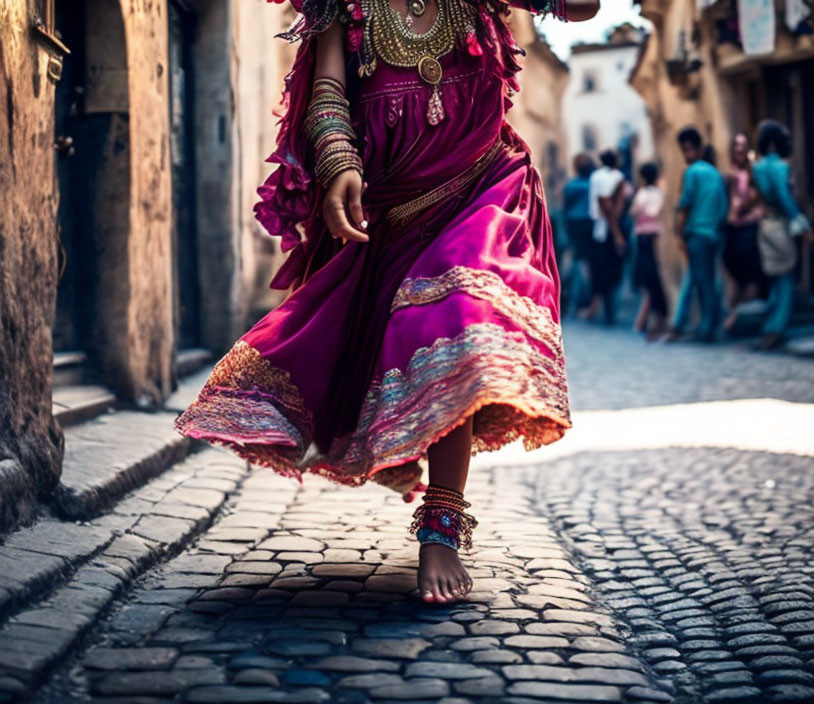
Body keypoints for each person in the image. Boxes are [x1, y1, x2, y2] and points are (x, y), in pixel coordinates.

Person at [173, 0, 599, 605]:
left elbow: (582, 9)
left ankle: (441, 529)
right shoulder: (339, 5)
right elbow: (326, 91)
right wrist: (339, 160)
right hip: (392, 213)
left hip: (483, 188)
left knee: (461, 315)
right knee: (398, 342)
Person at [751, 120, 813, 350]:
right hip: (780, 226)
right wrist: (803, 224)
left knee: (775, 279)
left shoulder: (757, 168)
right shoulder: (780, 167)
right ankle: (776, 329)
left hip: (765, 226)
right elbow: (785, 198)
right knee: (786, 278)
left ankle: (769, 326)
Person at [667, 127, 728, 343]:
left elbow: (685, 206)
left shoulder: (691, 172)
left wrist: (680, 235)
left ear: (699, 149)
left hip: (697, 234)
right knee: (709, 281)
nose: (687, 155)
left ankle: (707, 329)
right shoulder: (715, 174)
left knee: (703, 284)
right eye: (685, 150)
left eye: (690, 150)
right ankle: (707, 324)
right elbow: (723, 206)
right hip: (714, 233)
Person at [722, 133, 766, 331]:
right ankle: (735, 317)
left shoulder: (754, 174)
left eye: (743, 146)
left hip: (749, 230)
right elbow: (729, 207)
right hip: (733, 233)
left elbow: (757, 202)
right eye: (736, 147)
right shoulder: (728, 177)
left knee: (752, 277)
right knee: (737, 279)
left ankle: (744, 319)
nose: (739, 151)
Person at [583, 150, 627, 324]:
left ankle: (600, 307)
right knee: (612, 270)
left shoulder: (595, 176)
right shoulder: (617, 177)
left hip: (596, 228)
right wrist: (617, 234)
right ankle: (608, 310)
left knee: (600, 269)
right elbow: (607, 206)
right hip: (610, 228)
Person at [630, 162, 667, 337]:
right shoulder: (652, 193)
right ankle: (650, 320)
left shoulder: (643, 193)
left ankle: (651, 320)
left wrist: (640, 211)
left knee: (651, 278)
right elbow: (652, 211)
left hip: (647, 237)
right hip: (646, 237)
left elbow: (636, 211)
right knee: (650, 278)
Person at [562, 154, 597, 317]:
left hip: (574, 225)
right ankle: (585, 298)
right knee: (586, 263)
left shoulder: (571, 186)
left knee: (575, 260)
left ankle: (570, 298)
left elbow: (566, 207)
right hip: (590, 225)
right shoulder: (593, 184)